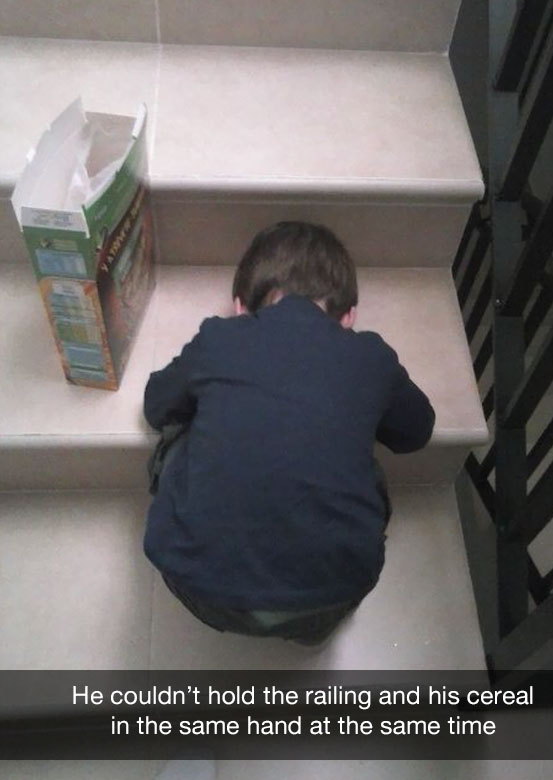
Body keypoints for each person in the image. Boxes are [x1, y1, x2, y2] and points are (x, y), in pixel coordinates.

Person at [143, 221, 435, 643]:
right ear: (348, 316)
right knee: (361, 456)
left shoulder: (219, 337)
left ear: (240, 306)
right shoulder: (371, 356)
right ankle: (304, 629)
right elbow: (416, 433)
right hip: (332, 597)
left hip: (199, 589)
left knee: (181, 429)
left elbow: (157, 406)